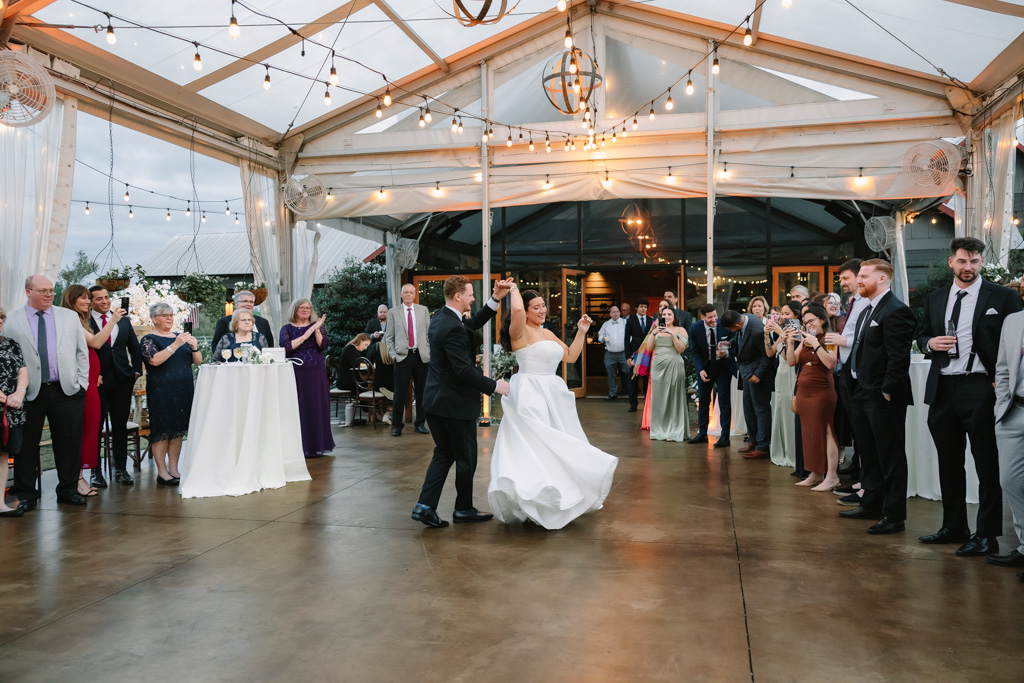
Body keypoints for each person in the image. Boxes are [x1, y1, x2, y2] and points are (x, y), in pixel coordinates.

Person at [916, 237, 1021, 555]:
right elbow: (921, 334)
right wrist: (929, 344)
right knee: (948, 461)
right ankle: (954, 526)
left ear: (982, 262)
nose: (968, 267)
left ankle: (987, 534)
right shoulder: (935, 297)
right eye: (962, 261)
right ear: (952, 262)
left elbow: (1016, 342)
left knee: (987, 463)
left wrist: (1001, 386)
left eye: (975, 261)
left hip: (981, 387)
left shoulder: (1001, 297)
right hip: (943, 388)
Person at [488, 286, 618, 528]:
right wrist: (514, 288)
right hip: (529, 393)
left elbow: (569, 355)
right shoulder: (520, 331)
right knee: (537, 446)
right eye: (536, 307)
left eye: (543, 306)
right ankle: (534, 498)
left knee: (559, 445)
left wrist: (581, 331)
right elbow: (515, 307)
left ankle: (558, 495)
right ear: (525, 313)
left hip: (553, 393)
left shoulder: (547, 332)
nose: (542, 310)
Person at [410, 276, 513, 528]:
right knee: (466, 458)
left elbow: (473, 323)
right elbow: (463, 371)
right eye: (470, 294)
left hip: (435, 402)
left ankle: (424, 506)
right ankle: (463, 509)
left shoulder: (442, 318)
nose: (473, 298)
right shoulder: (452, 326)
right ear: (458, 296)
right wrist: (494, 386)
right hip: (453, 405)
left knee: (444, 453)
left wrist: (496, 299)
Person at [838, 259, 916, 534]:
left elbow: (898, 358)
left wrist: (886, 391)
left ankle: (894, 515)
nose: (858, 280)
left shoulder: (896, 311)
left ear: (882, 279)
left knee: (890, 456)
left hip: (882, 396)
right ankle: (870, 503)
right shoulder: (866, 310)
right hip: (861, 392)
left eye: (863, 276)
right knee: (869, 454)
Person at [4, 276, 90, 508]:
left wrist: (82, 383)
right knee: (27, 445)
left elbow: (82, 353)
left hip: (67, 390)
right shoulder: (12, 320)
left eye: (51, 291)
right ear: (28, 292)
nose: (49, 295)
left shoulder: (69, 317)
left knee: (68, 442)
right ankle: (27, 494)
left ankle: (68, 490)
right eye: (42, 291)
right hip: (29, 393)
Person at [62, 285, 124, 498]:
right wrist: (114, 320)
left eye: (89, 298)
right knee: (84, 430)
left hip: (91, 380)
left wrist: (93, 372)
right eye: (84, 298)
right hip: (84, 385)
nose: (88, 302)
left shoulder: (81, 321)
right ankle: (78, 479)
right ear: (72, 300)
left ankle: (81, 477)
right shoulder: (71, 321)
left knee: (90, 429)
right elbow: (96, 343)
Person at [141, 302, 202, 485]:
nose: (169, 318)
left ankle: (174, 468)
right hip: (161, 391)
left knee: (177, 431)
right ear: (154, 319)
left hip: (183, 389)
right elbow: (154, 361)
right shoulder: (149, 339)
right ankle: (162, 472)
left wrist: (194, 346)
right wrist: (175, 344)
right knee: (162, 431)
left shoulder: (181, 338)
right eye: (165, 315)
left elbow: (197, 362)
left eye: (171, 315)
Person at [89, 285, 142, 486]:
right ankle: (95, 472)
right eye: (99, 298)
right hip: (97, 381)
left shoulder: (125, 320)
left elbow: (135, 349)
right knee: (96, 426)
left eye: (107, 297)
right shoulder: (85, 322)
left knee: (120, 425)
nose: (104, 301)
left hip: (122, 380)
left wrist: (136, 371)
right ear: (91, 301)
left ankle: (121, 469)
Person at [823, 258, 867, 493]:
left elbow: (865, 337)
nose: (843, 282)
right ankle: (861, 475)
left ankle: (864, 480)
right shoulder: (854, 302)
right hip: (847, 373)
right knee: (856, 427)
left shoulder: (865, 303)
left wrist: (843, 341)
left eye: (846, 278)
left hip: (858, 373)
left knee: (862, 431)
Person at [787, 303, 841, 491]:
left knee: (825, 432)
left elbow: (831, 363)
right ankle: (815, 473)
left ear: (821, 319)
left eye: (811, 320)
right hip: (804, 392)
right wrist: (789, 341)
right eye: (805, 322)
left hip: (822, 391)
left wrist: (816, 343)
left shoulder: (830, 337)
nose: (808, 324)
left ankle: (832, 476)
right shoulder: (805, 340)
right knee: (809, 433)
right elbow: (791, 362)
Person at [988, 309, 1024, 577]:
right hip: (1013, 411)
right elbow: (1002, 368)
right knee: (1010, 481)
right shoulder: (1012, 320)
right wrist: (1002, 404)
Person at [280, 299, 335, 458]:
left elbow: (323, 346)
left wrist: (316, 330)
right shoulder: (287, 328)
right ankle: (299, 445)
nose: (305, 310)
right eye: (302, 307)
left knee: (317, 406)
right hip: (295, 371)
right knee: (299, 407)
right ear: (295, 310)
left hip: (316, 371)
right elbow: (286, 347)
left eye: (308, 308)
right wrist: (306, 334)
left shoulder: (317, 326)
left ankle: (318, 444)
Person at [721, 309, 776, 459]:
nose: (730, 331)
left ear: (737, 325)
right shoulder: (745, 318)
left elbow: (767, 356)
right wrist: (729, 344)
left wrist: (758, 374)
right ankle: (753, 440)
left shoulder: (758, 330)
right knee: (748, 408)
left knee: (761, 410)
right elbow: (740, 338)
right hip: (746, 372)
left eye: (730, 329)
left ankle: (763, 446)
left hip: (759, 375)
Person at [385, 283, 431, 437]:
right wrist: (393, 354)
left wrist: (429, 351)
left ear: (415, 294)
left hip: (421, 356)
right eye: (406, 292)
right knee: (399, 393)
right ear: (401, 294)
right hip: (402, 356)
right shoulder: (393, 312)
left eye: (411, 292)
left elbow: (428, 333)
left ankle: (420, 424)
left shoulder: (423, 310)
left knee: (422, 392)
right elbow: (388, 337)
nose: (409, 295)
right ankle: (397, 425)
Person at [688, 304, 736, 447]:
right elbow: (694, 351)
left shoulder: (724, 324)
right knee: (703, 401)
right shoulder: (695, 328)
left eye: (715, 315)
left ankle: (725, 437)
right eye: (710, 317)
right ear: (703, 317)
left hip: (723, 367)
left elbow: (734, 344)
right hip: (706, 367)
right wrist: (700, 369)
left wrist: (727, 351)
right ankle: (702, 433)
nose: (714, 319)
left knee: (724, 402)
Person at [766, 300, 803, 469]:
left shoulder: (799, 331)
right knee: (780, 409)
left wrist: (781, 332)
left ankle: (794, 452)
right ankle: (782, 449)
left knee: (791, 412)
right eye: (782, 313)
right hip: (780, 373)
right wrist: (767, 335)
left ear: (797, 315)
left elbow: (790, 357)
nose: (783, 316)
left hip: (792, 372)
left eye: (787, 314)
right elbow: (770, 352)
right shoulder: (783, 332)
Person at [644, 307, 690, 442]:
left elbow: (680, 349)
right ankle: (659, 430)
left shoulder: (680, 330)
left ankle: (674, 431)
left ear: (674, 316)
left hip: (674, 365)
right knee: (659, 399)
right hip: (657, 366)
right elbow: (649, 348)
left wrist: (671, 334)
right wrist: (653, 333)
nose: (667, 316)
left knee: (673, 399)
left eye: (669, 314)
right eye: (664, 314)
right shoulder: (655, 329)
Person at [0, 306, 29, 517]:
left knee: (3, 456)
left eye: (1, 318)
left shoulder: (11, 344)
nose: (0, 322)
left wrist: (19, 392)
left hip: (10, 409)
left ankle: (0, 503)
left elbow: (22, 370)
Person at [210, 290, 275, 352]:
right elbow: (216, 347)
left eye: (251, 302)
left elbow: (270, 346)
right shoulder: (223, 322)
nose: (249, 304)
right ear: (237, 304)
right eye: (245, 301)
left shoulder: (263, 322)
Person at [625, 300, 654, 413]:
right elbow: (626, 339)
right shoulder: (631, 320)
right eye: (641, 307)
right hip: (635, 352)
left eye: (645, 307)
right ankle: (633, 404)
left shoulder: (651, 320)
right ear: (636, 308)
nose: (643, 309)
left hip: (647, 352)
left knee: (647, 379)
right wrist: (628, 356)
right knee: (633, 379)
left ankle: (647, 403)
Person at [597, 305, 628, 400]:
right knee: (611, 373)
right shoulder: (606, 324)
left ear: (620, 312)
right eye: (613, 312)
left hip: (623, 353)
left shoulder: (625, 322)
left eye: (617, 311)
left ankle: (628, 390)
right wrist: (602, 339)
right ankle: (613, 393)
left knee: (627, 371)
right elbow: (600, 335)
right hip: (610, 353)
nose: (615, 313)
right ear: (610, 314)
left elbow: (630, 335)